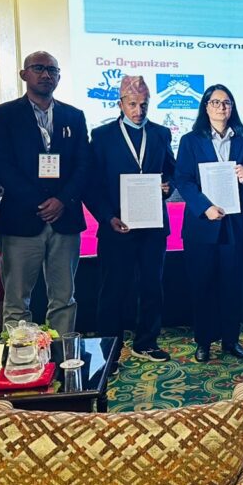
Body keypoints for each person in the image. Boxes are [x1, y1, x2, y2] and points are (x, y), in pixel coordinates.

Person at [0, 51, 90, 336]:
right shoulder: (4, 115)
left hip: (65, 218)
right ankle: (20, 363)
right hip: (21, 219)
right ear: (24, 74)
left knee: (64, 298)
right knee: (17, 301)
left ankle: (61, 355)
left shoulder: (74, 115)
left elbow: (84, 164)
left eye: (52, 70)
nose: (46, 75)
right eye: (38, 68)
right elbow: (1, 165)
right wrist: (39, 202)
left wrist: (61, 200)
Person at [85, 76, 175, 363]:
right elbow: (92, 184)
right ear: (120, 103)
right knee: (113, 289)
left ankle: (146, 342)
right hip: (116, 226)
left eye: (144, 104)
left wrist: (168, 187)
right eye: (133, 104)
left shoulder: (161, 133)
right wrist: (107, 217)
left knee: (152, 286)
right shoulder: (102, 136)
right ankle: (108, 349)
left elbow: (171, 172)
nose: (139, 110)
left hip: (152, 225)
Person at [174, 84, 243, 362]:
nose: (222, 107)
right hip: (202, 225)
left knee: (232, 285)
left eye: (227, 103)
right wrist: (204, 207)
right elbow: (182, 180)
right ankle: (204, 341)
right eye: (216, 102)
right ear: (205, 106)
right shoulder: (189, 140)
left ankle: (231, 340)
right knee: (202, 285)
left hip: (234, 225)